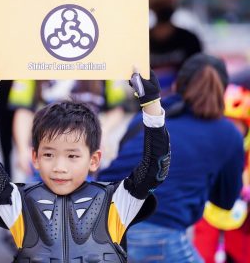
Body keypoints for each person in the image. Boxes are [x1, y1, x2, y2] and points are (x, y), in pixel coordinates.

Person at [0, 54, 170, 262]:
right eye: (48, 155)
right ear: (35, 157)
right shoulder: (18, 202)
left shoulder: (117, 201)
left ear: (94, 159)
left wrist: (152, 105)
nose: (59, 167)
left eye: (72, 155)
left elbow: (155, 167)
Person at [99, 53, 245, 262]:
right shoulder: (228, 134)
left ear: (177, 84)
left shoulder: (148, 117)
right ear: (223, 92)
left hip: (101, 221)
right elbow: (225, 201)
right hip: (157, 233)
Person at [9, 79, 126, 179]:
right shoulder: (31, 62)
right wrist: (22, 149)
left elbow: (117, 109)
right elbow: (23, 110)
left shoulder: (106, 62)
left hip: (83, 151)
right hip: (44, 152)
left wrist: (101, 133)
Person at [193, 81, 250, 263]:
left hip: (242, 216)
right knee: (203, 253)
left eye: (236, 125)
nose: (231, 131)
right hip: (208, 211)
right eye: (226, 124)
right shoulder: (207, 146)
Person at [149, 0, 202, 96]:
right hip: (149, 101)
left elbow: (199, 72)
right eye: (161, 4)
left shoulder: (189, 39)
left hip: (182, 99)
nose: (165, 8)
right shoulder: (144, 41)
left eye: (168, 3)